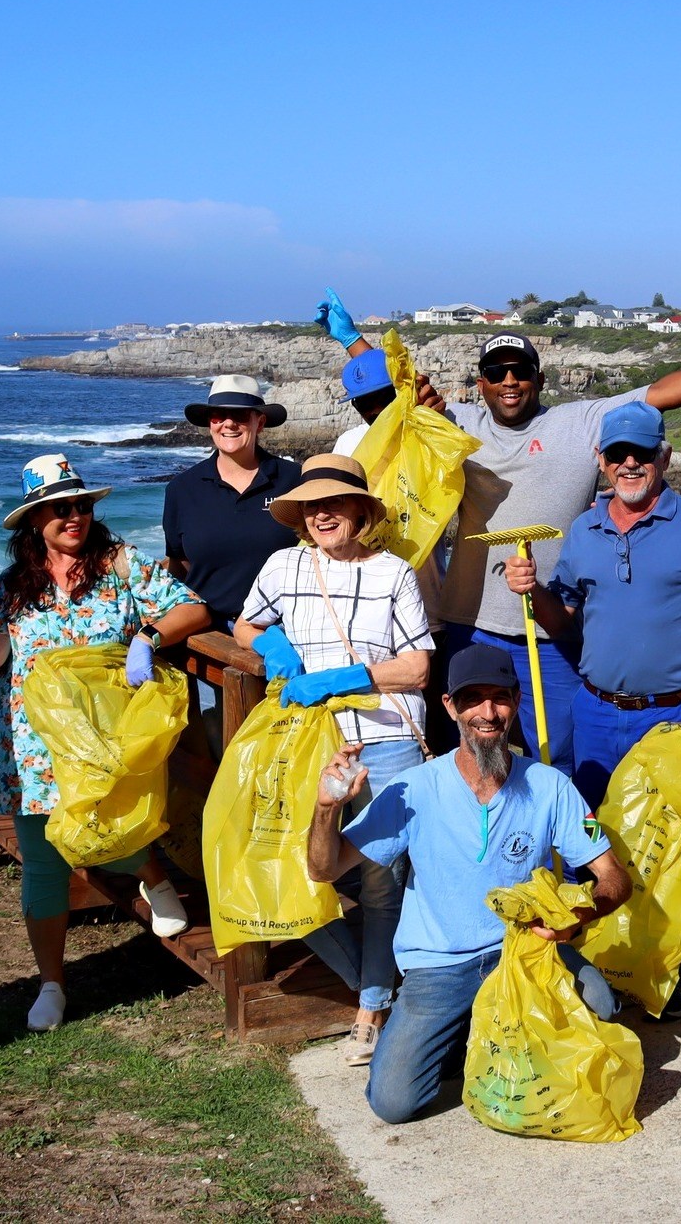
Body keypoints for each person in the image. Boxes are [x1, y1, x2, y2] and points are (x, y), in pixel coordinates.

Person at [317, 292, 681, 773]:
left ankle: (563, 824)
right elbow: (398, 389)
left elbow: (665, 391)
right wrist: (351, 340)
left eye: (520, 371)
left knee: (559, 752)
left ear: (539, 379)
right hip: (473, 624)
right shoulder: (456, 423)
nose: (509, 381)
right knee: (473, 750)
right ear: (480, 383)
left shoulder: (581, 423)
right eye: (496, 372)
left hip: (553, 628)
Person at [306, 644, 632, 1124]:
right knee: (394, 1103)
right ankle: (467, 1034)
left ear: (516, 701)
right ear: (450, 707)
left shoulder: (550, 786)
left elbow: (614, 878)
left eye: (499, 697)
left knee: (601, 1007)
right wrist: (326, 808)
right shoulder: (414, 788)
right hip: (439, 964)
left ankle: (484, 1031)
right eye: (472, 699)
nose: (487, 712)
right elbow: (324, 869)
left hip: (526, 952)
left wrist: (576, 918)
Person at [0, 454, 209, 1033]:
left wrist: (147, 636)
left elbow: (192, 607)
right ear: (34, 520)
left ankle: (154, 876)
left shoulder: (120, 565)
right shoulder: (13, 587)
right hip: (33, 745)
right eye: (59, 508)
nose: (74, 516)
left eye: (82, 505)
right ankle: (52, 985)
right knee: (43, 863)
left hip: (105, 739)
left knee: (115, 825)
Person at [234, 454, 434, 1067]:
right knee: (294, 863)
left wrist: (343, 678)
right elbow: (244, 625)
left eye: (335, 503)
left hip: (386, 739)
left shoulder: (394, 572)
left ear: (360, 511)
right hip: (308, 743)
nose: (322, 515)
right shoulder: (283, 565)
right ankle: (372, 981)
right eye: (311, 506)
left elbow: (418, 668)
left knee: (381, 881)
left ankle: (370, 1008)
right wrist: (273, 646)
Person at [503, 401, 681, 808]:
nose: (629, 463)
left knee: (669, 833)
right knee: (594, 828)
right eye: (617, 453)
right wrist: (532, 589)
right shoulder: (583, 529)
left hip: (674, 715)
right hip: (595, 713)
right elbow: (560, 620)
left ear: (664, 457)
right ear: (601, 460)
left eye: (642, 452)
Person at [333, 348, 455, 752]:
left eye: (382, 398)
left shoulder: (429, 429)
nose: (374, 410)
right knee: (373, 729)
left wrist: (431, 415)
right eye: (363, 402)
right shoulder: (349, 444)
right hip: (363, 612)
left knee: (435, 732)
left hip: (426, 610)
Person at [162, 374, 302, 630]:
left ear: (260, 422)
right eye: (218, 415)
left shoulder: (295, 480)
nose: (229, 423)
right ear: (210, 423)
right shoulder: (181, 489)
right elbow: (179, 566)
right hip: (205, 634)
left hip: (283, 631)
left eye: (240, 415)